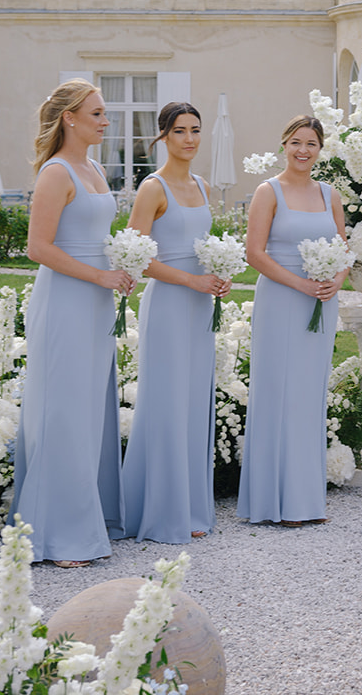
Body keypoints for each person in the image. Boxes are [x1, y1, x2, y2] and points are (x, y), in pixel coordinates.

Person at [10, 80, 135, 565]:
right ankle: (57, 535)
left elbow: (94, 235)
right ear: (70, 118)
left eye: (104, 113)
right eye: (97, 113)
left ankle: (86, 520)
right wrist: (100, 274)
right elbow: (37, 248)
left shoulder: (96, 168)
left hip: (97, 302)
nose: (106, 121)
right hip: (65, 301)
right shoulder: (56, 173)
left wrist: (122, 263)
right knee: (62, 410)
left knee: (88, 410)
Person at [121, 101, 232, 544]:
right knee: (167, 402)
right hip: (168, 304)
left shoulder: (203, 186)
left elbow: (200, 245)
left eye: (195, 130)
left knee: (193, 402)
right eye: (180, 131)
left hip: (201, 306)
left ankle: (189, 508)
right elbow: (136, 257)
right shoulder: (153, 187)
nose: (189, 139)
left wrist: (219, 272)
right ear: (163, 136)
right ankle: (162, 512)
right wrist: (191, 279)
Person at [238, 114, 348, 525]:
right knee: (278, 392)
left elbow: (344, 248)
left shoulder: (329, 194)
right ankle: (273, 501)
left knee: (308, 395)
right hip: (281, 301)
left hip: (321, 304)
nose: (303, 150)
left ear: (320, 150)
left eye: (311, 144)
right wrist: (300, 284)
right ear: (284, 144)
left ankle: (305, 501)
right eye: (296, 142)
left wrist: (336, 281)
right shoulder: (268, 192)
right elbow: (254, 253)